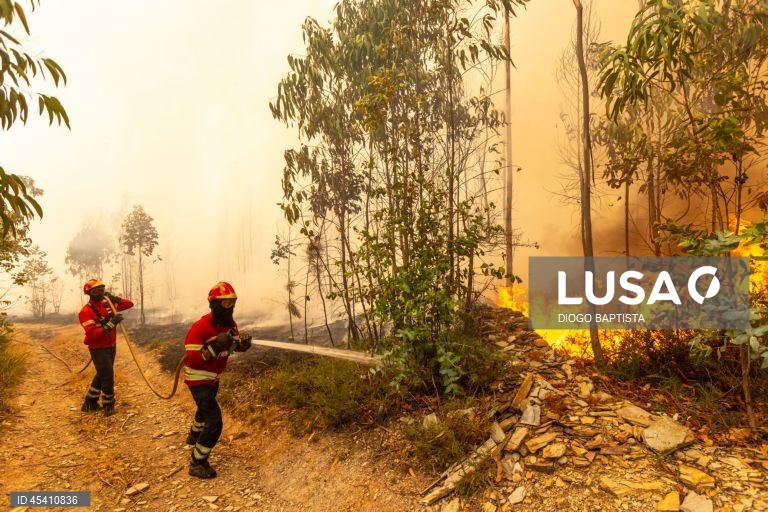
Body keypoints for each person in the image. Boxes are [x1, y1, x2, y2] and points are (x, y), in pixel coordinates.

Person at [183, 281, 252, 479]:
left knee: (203, 411)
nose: (230, 308)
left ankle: (194, 435)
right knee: (214, 421)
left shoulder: (231, 326)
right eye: (226, 303)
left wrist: (242, 345)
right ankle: (197, 462)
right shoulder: (200, 327)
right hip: (198, 380)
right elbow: (191, 359)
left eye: (233, 303)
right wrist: (213, 348)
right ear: (214, 304)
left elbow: (231, 347)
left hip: (213, 378)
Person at [79, 279, 134, 417]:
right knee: (107, 376)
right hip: (98, 349)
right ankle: (108, 406)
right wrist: (111, 324)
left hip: (111, 346)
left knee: (101, 374)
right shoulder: (85, 312)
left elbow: (129, 304)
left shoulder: (107, 304)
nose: (100, 292)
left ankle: (89, 403)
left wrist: (115, 298)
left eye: (102, 289)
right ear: (89, 293)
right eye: (96, 291)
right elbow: (92, 334)